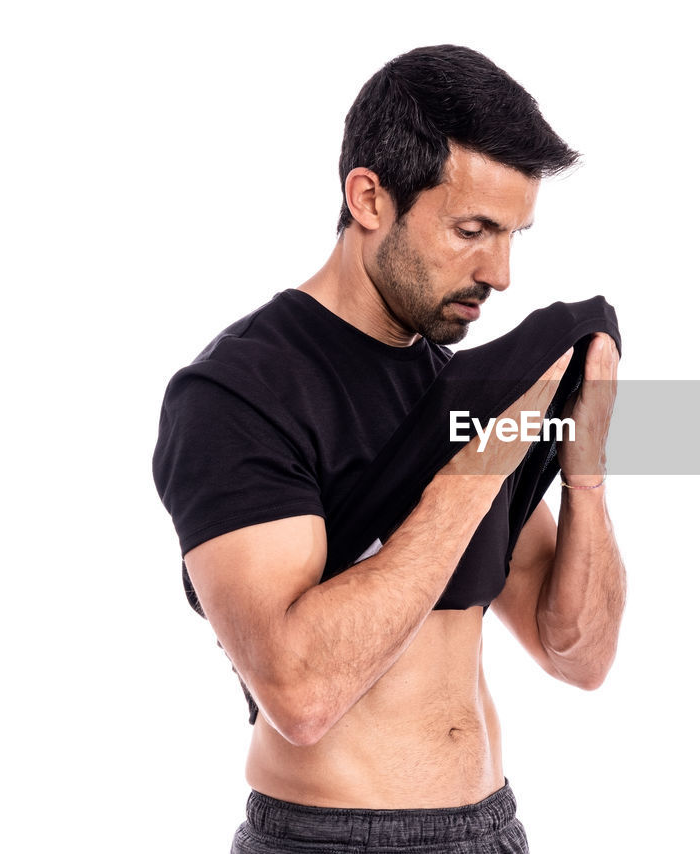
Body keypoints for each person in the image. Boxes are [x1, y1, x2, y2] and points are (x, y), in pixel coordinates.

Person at [152, 45, 626, 854]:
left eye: (513, 235)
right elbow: (300, 694)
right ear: (369, 197)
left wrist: (583, 475)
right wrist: (480, 463)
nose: (502, 273)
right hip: (330, 838)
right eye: (472, 230)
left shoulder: (458, 390)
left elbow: (575, 655)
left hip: (493, 826)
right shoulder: (239, 393)